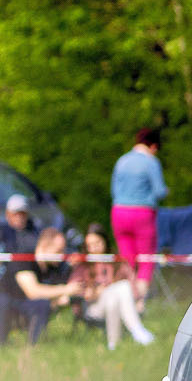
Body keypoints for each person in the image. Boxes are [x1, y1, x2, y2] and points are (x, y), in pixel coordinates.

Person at [0, 225, 74, 345]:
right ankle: (0, 346)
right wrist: (65, 290)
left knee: (42, 304)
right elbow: (33, 292)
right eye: (58, 251)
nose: (61, 256)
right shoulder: (25, 257)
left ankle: (34, 346)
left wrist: (58, 298)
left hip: (24, 305)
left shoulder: (53, 266)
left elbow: (54, 294)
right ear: (44, 246)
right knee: (1, 301)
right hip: (1, 303)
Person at [70, 225, 156, 349]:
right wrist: (92, 292)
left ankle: (113, 345)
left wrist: (137, 300)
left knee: (117, 294)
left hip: (116, 304)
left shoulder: (116, 260)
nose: (94, 248)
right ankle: (137, 329)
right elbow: (75, 290)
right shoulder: (83, 265)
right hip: (93, 308)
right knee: (122, 287)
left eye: (97, 243)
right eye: (90, 245)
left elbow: (132, 283)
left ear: (105, 241)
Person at [110, 127, 168, 306]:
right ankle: (138, 303)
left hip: (119, 212)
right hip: (142, 214)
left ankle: (126, 301)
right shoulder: (151, 162)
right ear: (153, 146)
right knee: (146, 260)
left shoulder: (122, 161)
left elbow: (114, 190)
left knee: (128, 260)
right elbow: (159, 191)